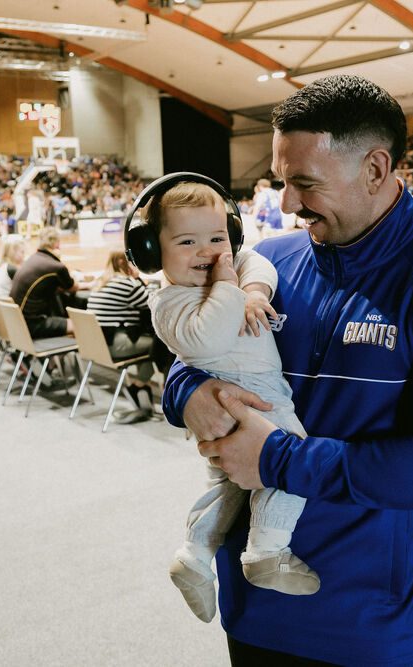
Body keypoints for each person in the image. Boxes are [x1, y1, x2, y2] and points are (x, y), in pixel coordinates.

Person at [162, 75, 413, 665]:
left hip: (369, 627)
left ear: (375, 170)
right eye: (281, 181)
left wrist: (275, 458)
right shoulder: (265, 265)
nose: (287, 204)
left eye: (304, 183)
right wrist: (187, 389)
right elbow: (190, 349)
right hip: (252, 613)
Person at [134, 179, 318, 624]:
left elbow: (255, 261)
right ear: (151, 252)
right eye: (187, 241)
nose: (209, 252)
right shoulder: (169, 301)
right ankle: (268, 551)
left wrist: (254, 290)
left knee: (228, 486)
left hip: (254, 387)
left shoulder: (232, 265)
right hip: (253, 396)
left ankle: (195, 556)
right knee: (289, 460)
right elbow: (209, 334)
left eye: (218, 238)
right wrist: (229, 284)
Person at [86, 250, 157, 422]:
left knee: (147, 347)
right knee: (158, 345)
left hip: (98, 345)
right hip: (116, 344)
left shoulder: (100, 282)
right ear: (123, 263)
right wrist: (138, 278)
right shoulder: (125, 283)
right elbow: (152, 300)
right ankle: (138, 386)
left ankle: (142, 397)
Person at [10, 227, 78, 337]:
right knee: (80, 325)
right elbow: (71, 287)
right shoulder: (55, 266)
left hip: (17, 323)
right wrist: (91, 284)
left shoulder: (32, 259)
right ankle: (74, 353)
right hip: (32, 325)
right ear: (57, 243)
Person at [0, 233, 25, 298]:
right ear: (13, 252)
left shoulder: (1, 265)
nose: (24, 255)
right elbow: (23, 288)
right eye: (22, 252)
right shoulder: (11, 269)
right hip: (6, 304)